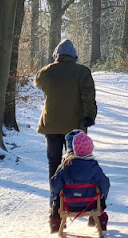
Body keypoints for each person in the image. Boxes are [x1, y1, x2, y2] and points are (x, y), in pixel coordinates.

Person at [35, 39, 97, 180]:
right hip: (75, 125)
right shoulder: (83, 72)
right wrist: (89, 116)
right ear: (74, 56)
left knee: (54, 161)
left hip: (51, 124)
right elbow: (88, 97)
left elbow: (38, 84)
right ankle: (73, 196)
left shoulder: (45, 72)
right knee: (75, 161)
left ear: (56, 55)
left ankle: (55, 197)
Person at [49, 131, 110, 233]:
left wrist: (56, 196)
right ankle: (99, 218)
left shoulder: (65, 166)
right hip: (90, 204)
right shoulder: (94, 167)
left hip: (68, 204)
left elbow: (54, 185)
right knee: (100, 195)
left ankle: (56, 220)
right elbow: (105, 184)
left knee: (58, 198)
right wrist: (102, 196)